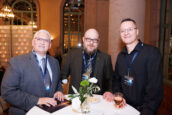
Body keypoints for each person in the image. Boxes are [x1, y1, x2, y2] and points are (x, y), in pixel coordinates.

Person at [103, 18, 163, 115]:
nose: (126, 33)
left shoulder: (151, 53)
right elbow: (116, 80)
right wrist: (119, 95)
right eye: (122, 30)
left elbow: (155, 92)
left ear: (137, 31)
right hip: (124, 107)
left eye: (130, 29)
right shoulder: (121, 56)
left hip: (143, 111)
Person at [1, 30, 65, 115]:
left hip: (50, 110)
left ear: (50, 45)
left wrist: (59, 91)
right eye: (39, 39)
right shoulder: (16, 62)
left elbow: (57, 83)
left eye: (46, 40)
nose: (42, 42)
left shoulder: (55, 62)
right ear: (33, 42)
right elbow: (7, 92)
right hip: (25, 112)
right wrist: (37, 100)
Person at [61, 28, 113, 94]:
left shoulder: (106, 58)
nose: (91, 43)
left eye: (95, 40)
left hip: (96, 100)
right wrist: (60, 90)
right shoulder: (72, 55)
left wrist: (109, 92)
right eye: (88, 39)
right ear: (83, 39)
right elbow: (63, 75)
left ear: (98, 41)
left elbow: (110, 81)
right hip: (76, 98)